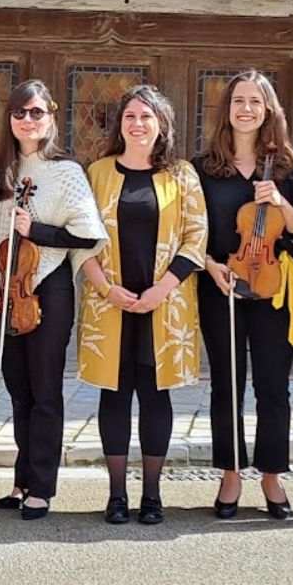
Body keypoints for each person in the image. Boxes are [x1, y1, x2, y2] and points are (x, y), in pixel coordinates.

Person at [77, 85, 207, 525]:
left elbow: (196, 238)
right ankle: (116, 495)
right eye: (130, 116)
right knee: (113, 394)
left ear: (162, 125)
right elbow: (81, 238)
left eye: (147, 117)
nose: (137, 124)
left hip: (163, 305)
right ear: (120, 124)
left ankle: (152, 495)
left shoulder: (183, 175)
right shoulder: (97, 172)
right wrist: (105, 287)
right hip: (109, 302)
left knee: (155, 397)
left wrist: (161, 289)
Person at [0, 81, 105, 520]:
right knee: (19, 391)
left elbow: (88, 234)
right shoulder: (3, 172)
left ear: (50, 117)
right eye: (19, 112)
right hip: (5, 288)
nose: (27, 120)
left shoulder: (66, 171)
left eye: (35, 113)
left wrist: (38, 232)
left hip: (48, 288)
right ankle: (21, 479)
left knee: (45, 390)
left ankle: (42, 487)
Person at [193, 72, 293, 520]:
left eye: (255, 102)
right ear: (227, 109)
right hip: (221, 282)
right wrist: (210, 264)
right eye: (239, 100)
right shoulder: (204, 167)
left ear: (268, 110)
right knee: (227, 383)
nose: (246, 108)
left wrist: (279, 200)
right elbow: (192, 230)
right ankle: (230, 471)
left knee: (273, 386)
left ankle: (272, 475)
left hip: (273, 287)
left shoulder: (285, 166)